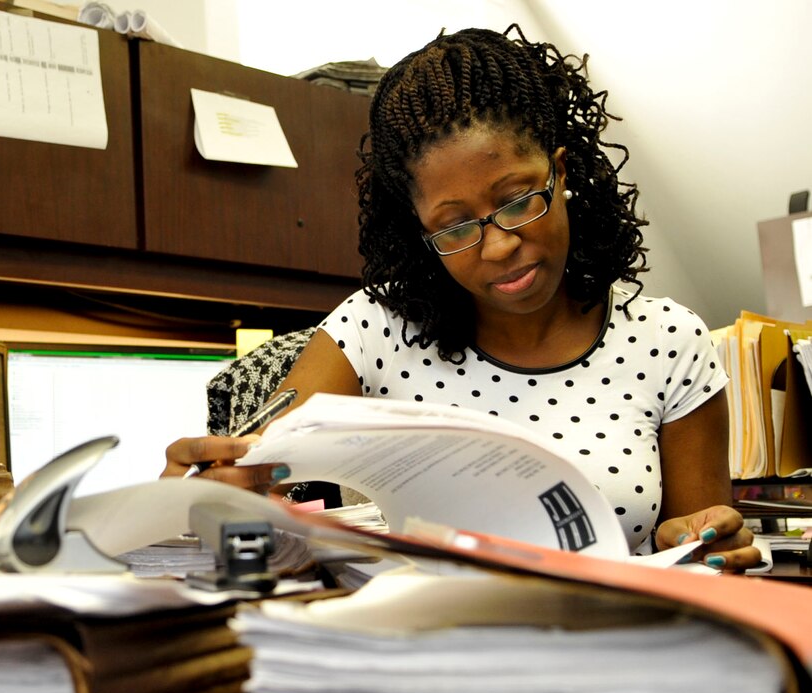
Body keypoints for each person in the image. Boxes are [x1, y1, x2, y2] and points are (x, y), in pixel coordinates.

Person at [162, 25, 759, 569]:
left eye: (520, 198)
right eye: (454, 227)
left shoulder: (668, 341)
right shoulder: (374, 329)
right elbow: (255, 472)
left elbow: (694, 538)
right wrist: (207, 494)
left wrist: (700, 539)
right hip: (425, 652)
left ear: (561, 172)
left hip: (614, 648)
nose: (498, 246)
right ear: (421, 232)